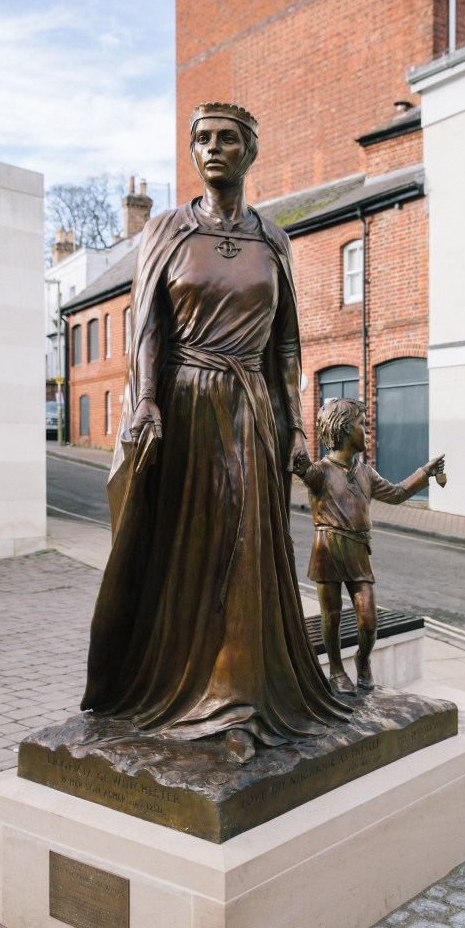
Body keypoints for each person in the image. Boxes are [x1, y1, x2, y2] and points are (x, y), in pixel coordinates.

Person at [81, 103, 351, 763]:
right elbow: (148, 328)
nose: (212, 148)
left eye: (227, 139)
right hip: (184, 406)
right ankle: (183, 683)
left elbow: (286, 344)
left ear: (249, 151)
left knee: (245, 542)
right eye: (201, 138)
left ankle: (241, 694)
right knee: (187, 545)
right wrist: (147, 400)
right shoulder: (168, 231)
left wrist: (295, 427)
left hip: (251, 409)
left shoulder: (273, 239)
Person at [293, 399, 445, 694]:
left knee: (368, 621)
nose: (368, 431)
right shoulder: (320, 472)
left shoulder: (366, 473)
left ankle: (362, 660)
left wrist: (425, 473)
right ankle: (336, 671)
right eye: (363, 425)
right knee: (331, 616)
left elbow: (398, 493)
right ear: (343, 429)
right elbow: (301, 468)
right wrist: (297, 454)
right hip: (327, 551)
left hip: (359, 552)